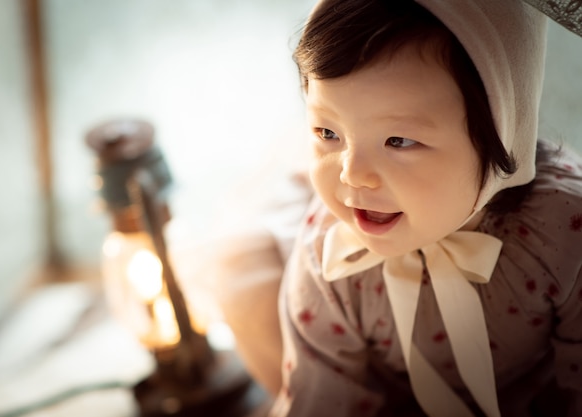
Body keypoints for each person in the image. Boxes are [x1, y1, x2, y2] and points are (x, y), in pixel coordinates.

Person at [231, 0, 582, 416]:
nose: (353, 174)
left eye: (398, 141)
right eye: (327, 132)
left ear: (503, 135)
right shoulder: (329, 261)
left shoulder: (563, 231)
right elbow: (322, 397)